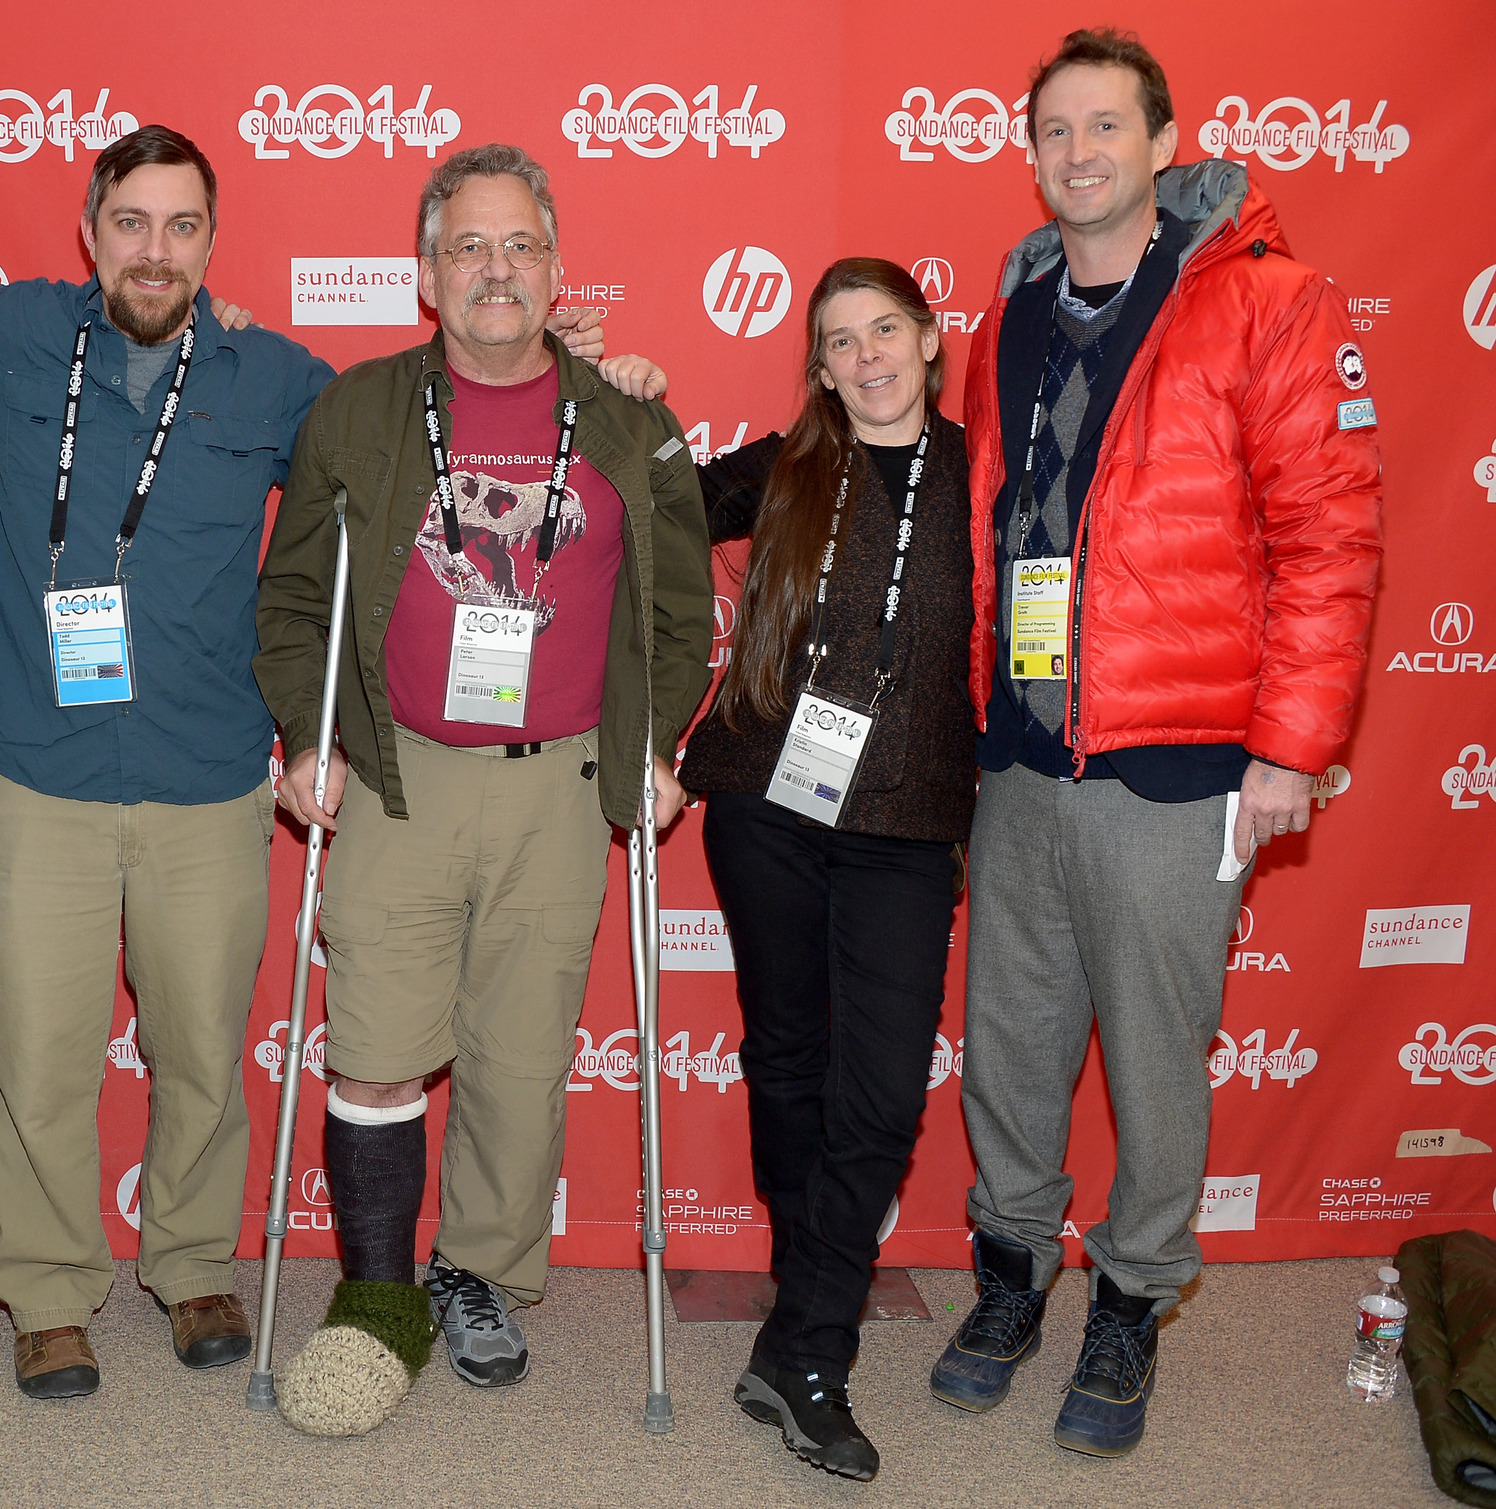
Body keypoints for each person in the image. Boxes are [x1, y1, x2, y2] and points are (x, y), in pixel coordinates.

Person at [0, 125, 633, 1399]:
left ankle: (191, 1267)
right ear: (89, 230)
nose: (154, 249)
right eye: (130, 222)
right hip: (36, 773)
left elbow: (428, 416)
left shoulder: (271, 376)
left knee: (200, 1050)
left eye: (182, 227)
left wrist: (609, 390)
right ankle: (47, 1294)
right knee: (34, 1055)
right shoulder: (6, 333)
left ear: (210, 241)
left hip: (206, 773)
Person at [929, 28, 1382, 1457]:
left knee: (1156, 1059)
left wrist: (1291, 746)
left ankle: (1132, 1295)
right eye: (1054, 130)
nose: (1079, 153)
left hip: (1182, 761)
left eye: (1105, 127)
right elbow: (994, 531)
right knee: (1009, 1043)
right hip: (1021, 749)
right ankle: (1011, 1275)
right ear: (1033, 153)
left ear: (1164, 141)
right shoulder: (1005, 319)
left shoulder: (1269, 302)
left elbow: (1330, 536)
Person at [253, 142, 712, 1437]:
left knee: (517, 1061)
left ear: (555, 266)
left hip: (562, 783)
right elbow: (296, 595)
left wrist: (658, 741)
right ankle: (380, 1291)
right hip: (401, 774)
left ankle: (478, 1274)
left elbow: (679, 609)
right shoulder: (360, 407)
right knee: (380, 1050)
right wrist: (308, 730)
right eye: (468, 247)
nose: (496, 271)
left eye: (519, 247)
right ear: (425, 273)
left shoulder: (629, 418)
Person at [678, 259, 975, 1481]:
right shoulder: (790, 464)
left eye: (883, 331)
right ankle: (809, 1347)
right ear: (818, 365)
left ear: (927, 341)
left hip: (906, 819)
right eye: (838, 341)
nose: (863, 357)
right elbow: (651, 509)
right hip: (765, 801)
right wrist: (609, 388)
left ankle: (804, 1331)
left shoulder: (987, 470)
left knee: (885, 1089)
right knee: (788, 1056)